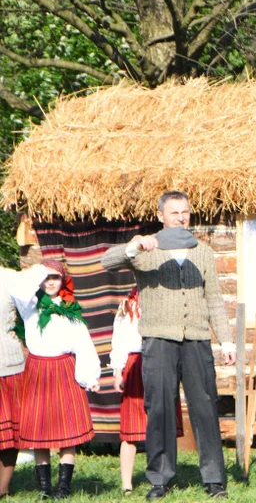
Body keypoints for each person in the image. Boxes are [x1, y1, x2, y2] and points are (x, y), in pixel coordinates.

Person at [101, 191, 235, 500]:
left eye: (185, 212)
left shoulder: (202, 251)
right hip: (158, 340)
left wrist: (225, 339)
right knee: (159, 408)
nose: (181, 217)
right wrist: (135, 245)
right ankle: (160, 479)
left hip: (197, 340)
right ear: (161, 216)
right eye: (174, 212)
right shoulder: (147, 248)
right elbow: (107, 261)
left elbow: (213, 297)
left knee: (205, 407)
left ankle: (214, 480)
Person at [9, 260, 101, 499]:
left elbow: (83, 344)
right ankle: (44, 488)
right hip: (37, 370)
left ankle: (63, 487)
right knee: (39, 430)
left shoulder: (70, 309)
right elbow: (20, 287)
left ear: (64, 281)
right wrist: (41, 270)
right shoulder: (30, 305)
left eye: (55, 277)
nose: (50, 282)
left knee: (66, 429)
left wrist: (89, 375)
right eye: (46, 277)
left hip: (64, 369)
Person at [110, 286, 185, 495]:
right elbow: (119, 339)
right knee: (131, 429)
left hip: (161, 362)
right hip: (135, 364)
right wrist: (118, 371)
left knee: (164, 424)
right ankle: (127, 483)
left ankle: (166, 478)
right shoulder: (127, 305)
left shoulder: (166, 301)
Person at [0, 266, 40, 497]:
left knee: (9, 433)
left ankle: (3, 488)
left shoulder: (11, 278)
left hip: (8, 363)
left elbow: (37, 312)